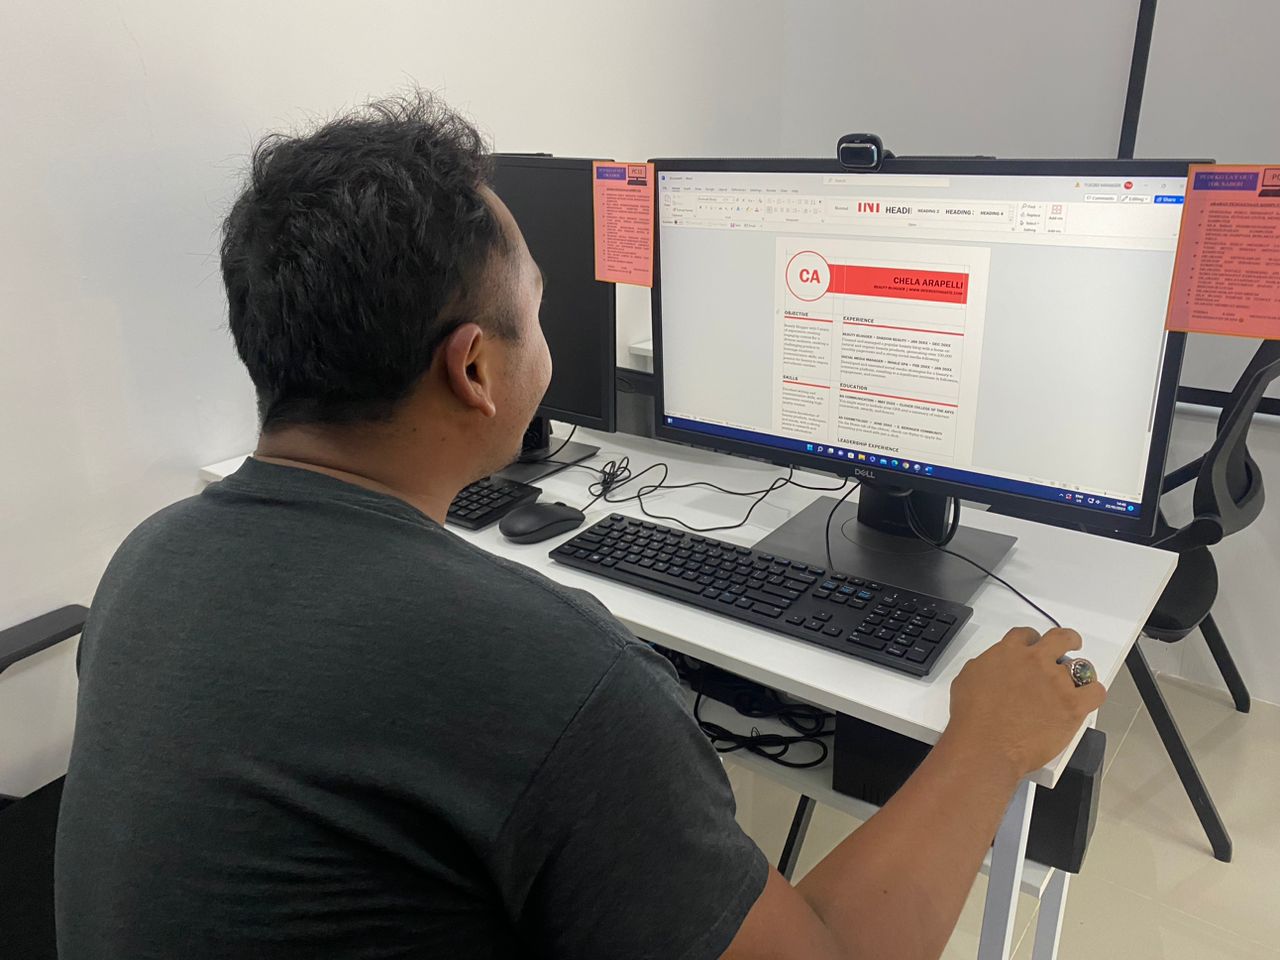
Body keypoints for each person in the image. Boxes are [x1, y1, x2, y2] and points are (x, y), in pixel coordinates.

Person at [55, 92, 1106, 960]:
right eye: (539, 308)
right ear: (474, 367)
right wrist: (986, 745)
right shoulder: (548, 671)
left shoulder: (150, 558)